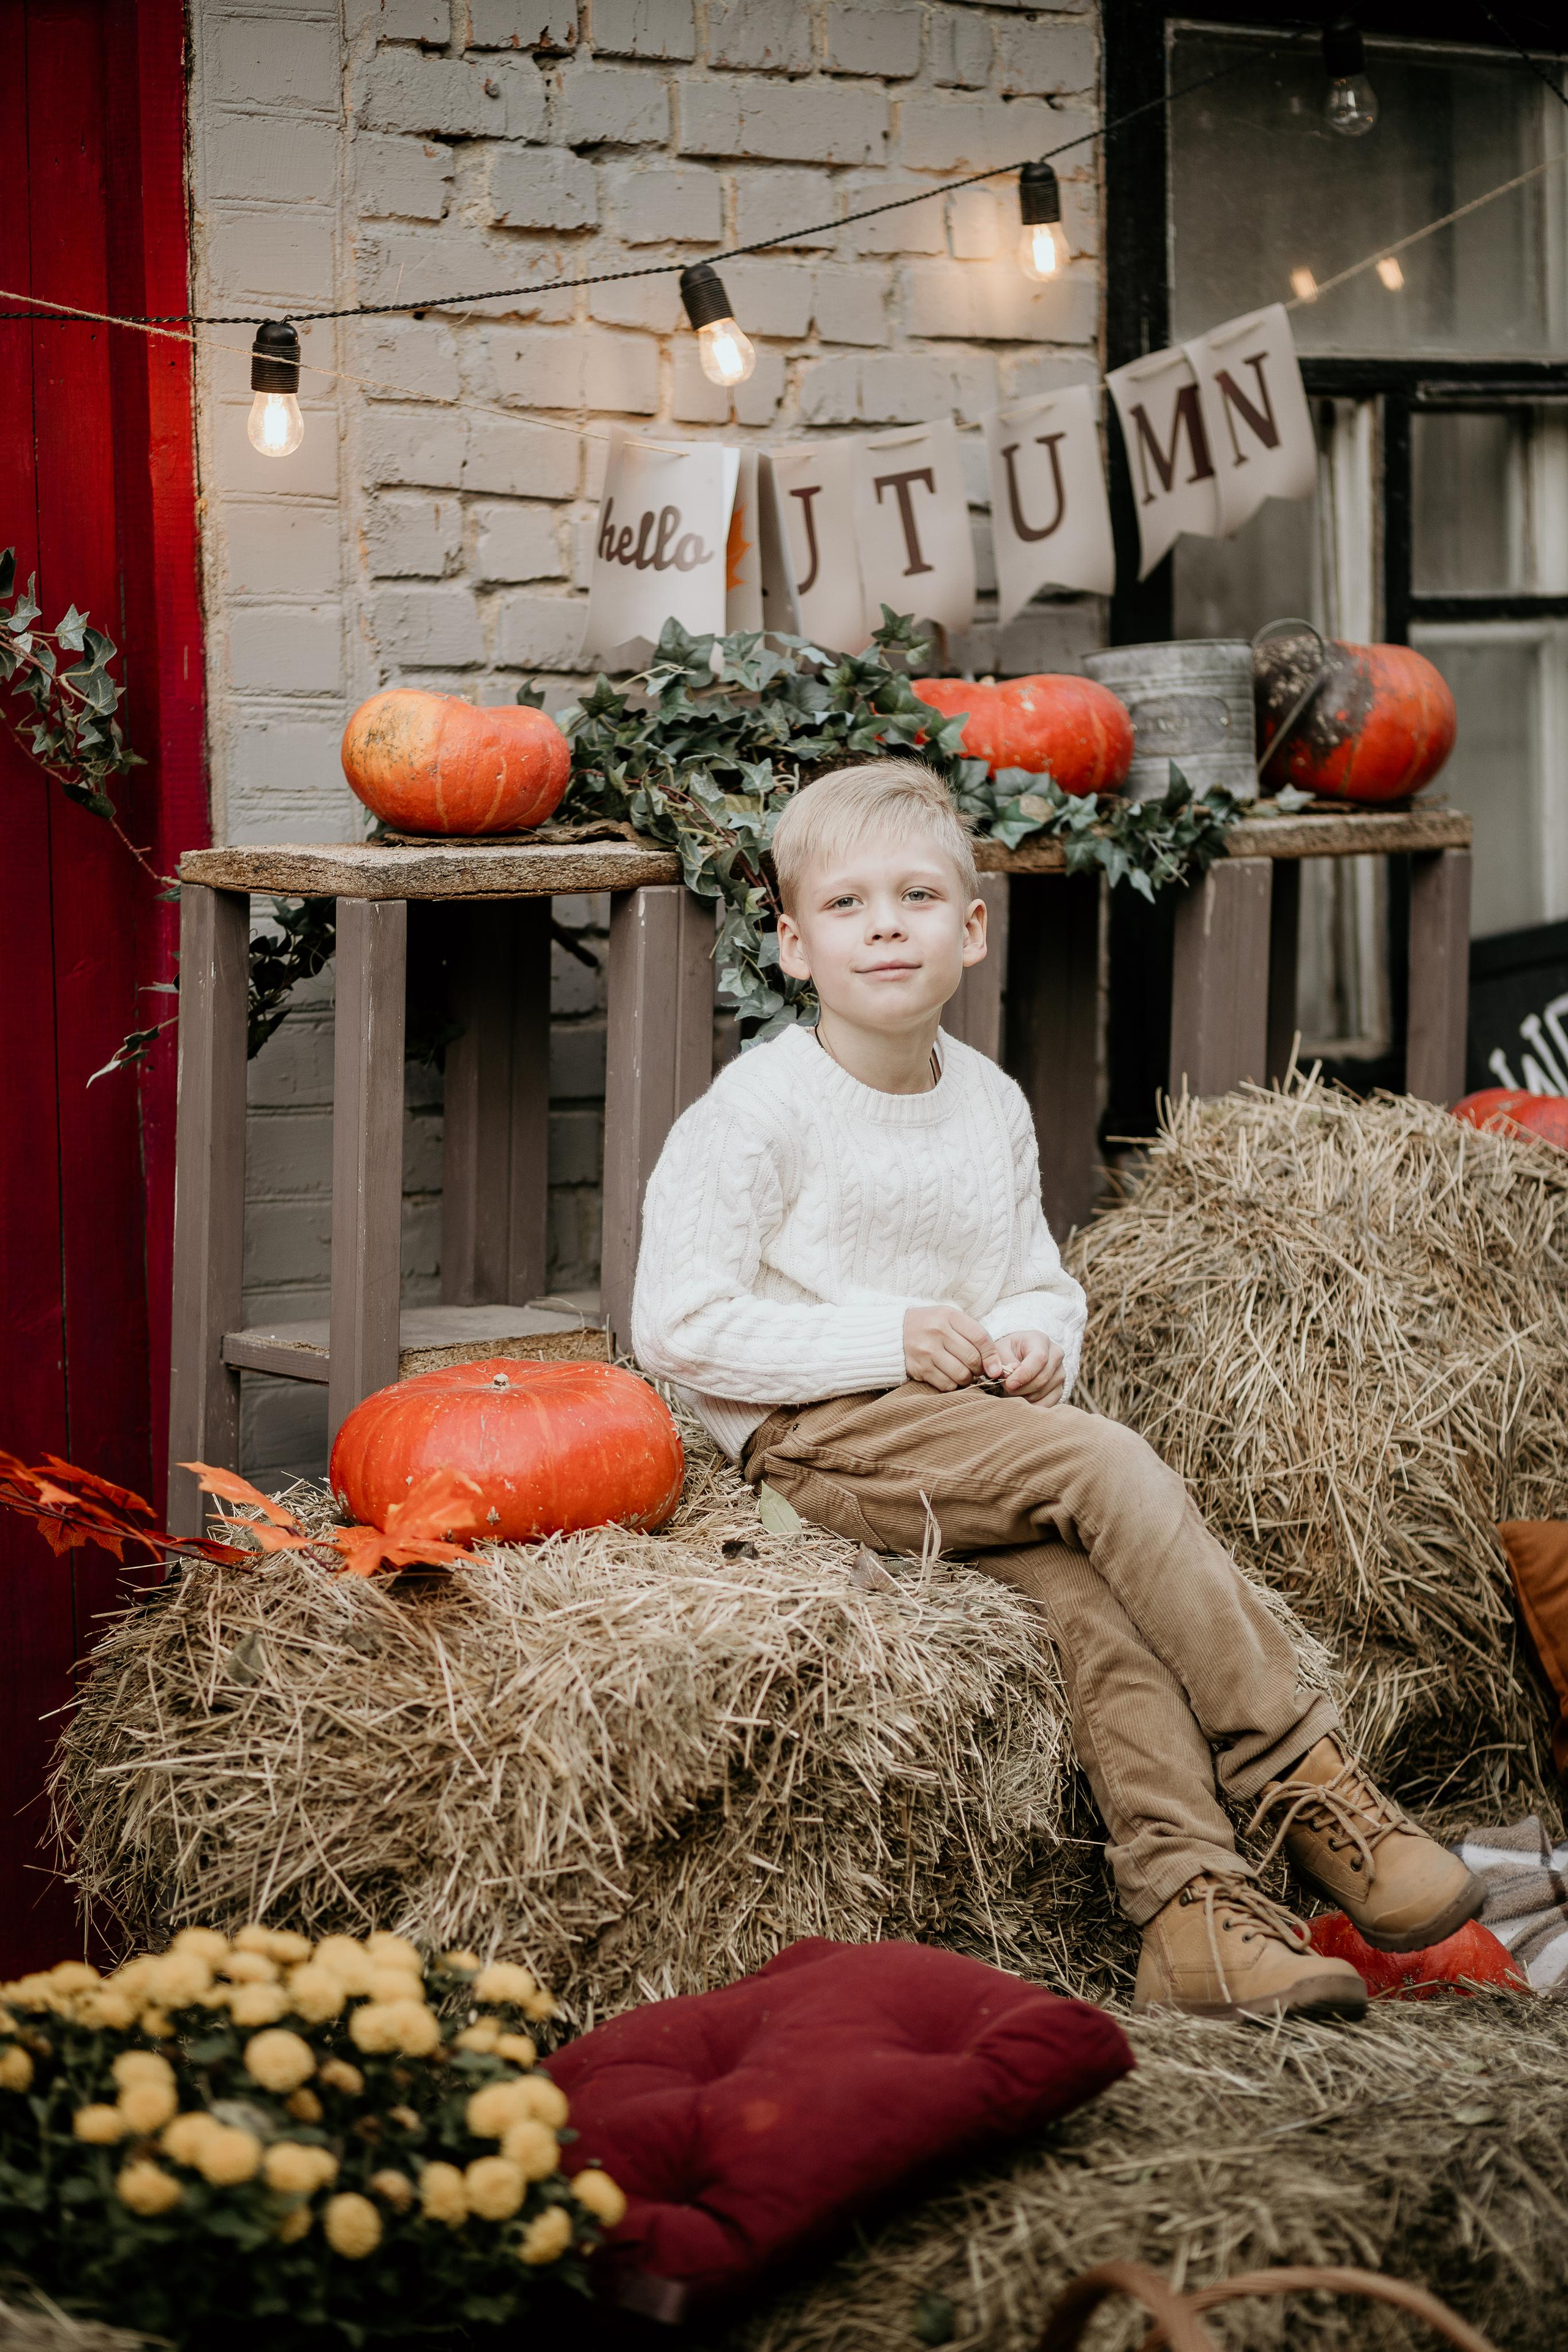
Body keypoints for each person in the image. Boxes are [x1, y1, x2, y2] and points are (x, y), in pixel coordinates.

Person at [630, 758, 1483, 2020]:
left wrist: (1034, 1343)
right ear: (792, 945)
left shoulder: (987, 1104)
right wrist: (884, 1340)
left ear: (969, 930)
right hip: (819, 1444)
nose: (883, 926)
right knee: (1104, 1463)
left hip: (969, 1433)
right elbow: (676, 1326)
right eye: (847, 905)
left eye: (916, 896)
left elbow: (1032, 1282)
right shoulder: (758, 1111)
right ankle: (1304, 1779)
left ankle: (1190, 1913)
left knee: (1095, 1609)